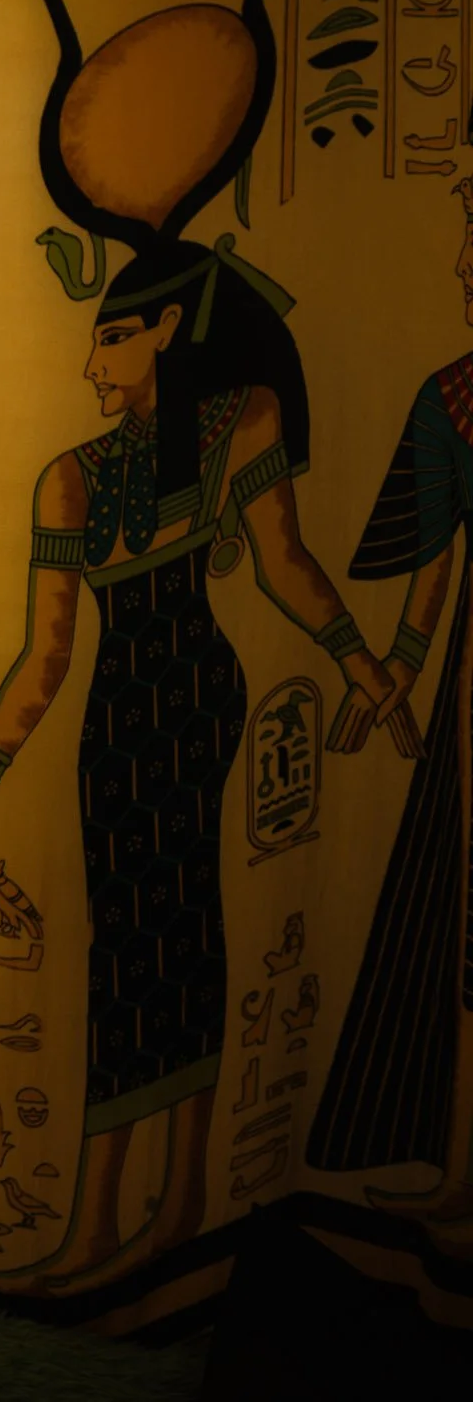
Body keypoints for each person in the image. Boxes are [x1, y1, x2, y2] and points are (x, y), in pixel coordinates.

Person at [0, 237, 402, 1293]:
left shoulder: (241, 419)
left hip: (195, 699)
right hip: (117, 717)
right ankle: (101, 1215)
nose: (91, 364)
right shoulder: (68, 479)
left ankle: (172, 1201)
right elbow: (44, 652)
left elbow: (283, 564)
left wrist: (357, 664)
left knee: (183, 935)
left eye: (112, 337)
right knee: (123, 948)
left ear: (168, 329)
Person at [306, 177, 473, 1253]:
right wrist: (397, 672)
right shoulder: (455, 393)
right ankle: (462, 1174)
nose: (461, 270)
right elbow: (433, 557)